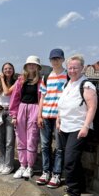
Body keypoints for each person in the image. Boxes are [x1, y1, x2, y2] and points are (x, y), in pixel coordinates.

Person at [57, 54, 97, 196]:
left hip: (78, 127)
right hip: (65, 127)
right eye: (70, 67)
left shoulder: (86, 85)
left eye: (75, 67)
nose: (72, 70)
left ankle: (73, 192)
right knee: (74, 160)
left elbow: (92, 107)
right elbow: (63, 104)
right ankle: (80, 185)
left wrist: (86, 126)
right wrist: (59, 118)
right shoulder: (68, 84)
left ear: (82, 68)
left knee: (70, 160)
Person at [36, 49, 68, 188]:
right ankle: (46, 172)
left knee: (60, 148)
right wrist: (39, 115)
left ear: (62, 59)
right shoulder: (46, 76)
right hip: (46, 115)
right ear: (50, 60)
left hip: (59, 117)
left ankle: (56, 174)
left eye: (58, 58)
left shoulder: (67, 76)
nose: (55, 61)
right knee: (44, 146)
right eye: (53, 59)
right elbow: (42, 97)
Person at [9, 55, 42, 179]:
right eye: (29, 64)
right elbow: (15, 98)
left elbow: (42, 99)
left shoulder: (40, 81)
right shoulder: (21, 80)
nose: (31, 66)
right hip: (22, 108)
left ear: (37, 67)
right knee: (20, 138)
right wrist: (13, 114)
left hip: (34, 108)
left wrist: (40, 114)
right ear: (26, 66)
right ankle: (22, 165)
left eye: (33, 64)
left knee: (32, 138)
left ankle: (30, 166)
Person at [0, 62, 16, 174]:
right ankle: (2, 162)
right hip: (0, 113)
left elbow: (7, 92)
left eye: (9, 68)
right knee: (0, 140)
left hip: (10, 113)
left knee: (9, 141)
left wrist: (2, 79)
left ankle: (9, 165)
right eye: (5, 69)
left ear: (13, 70)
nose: (7, 70)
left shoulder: (16, 81)